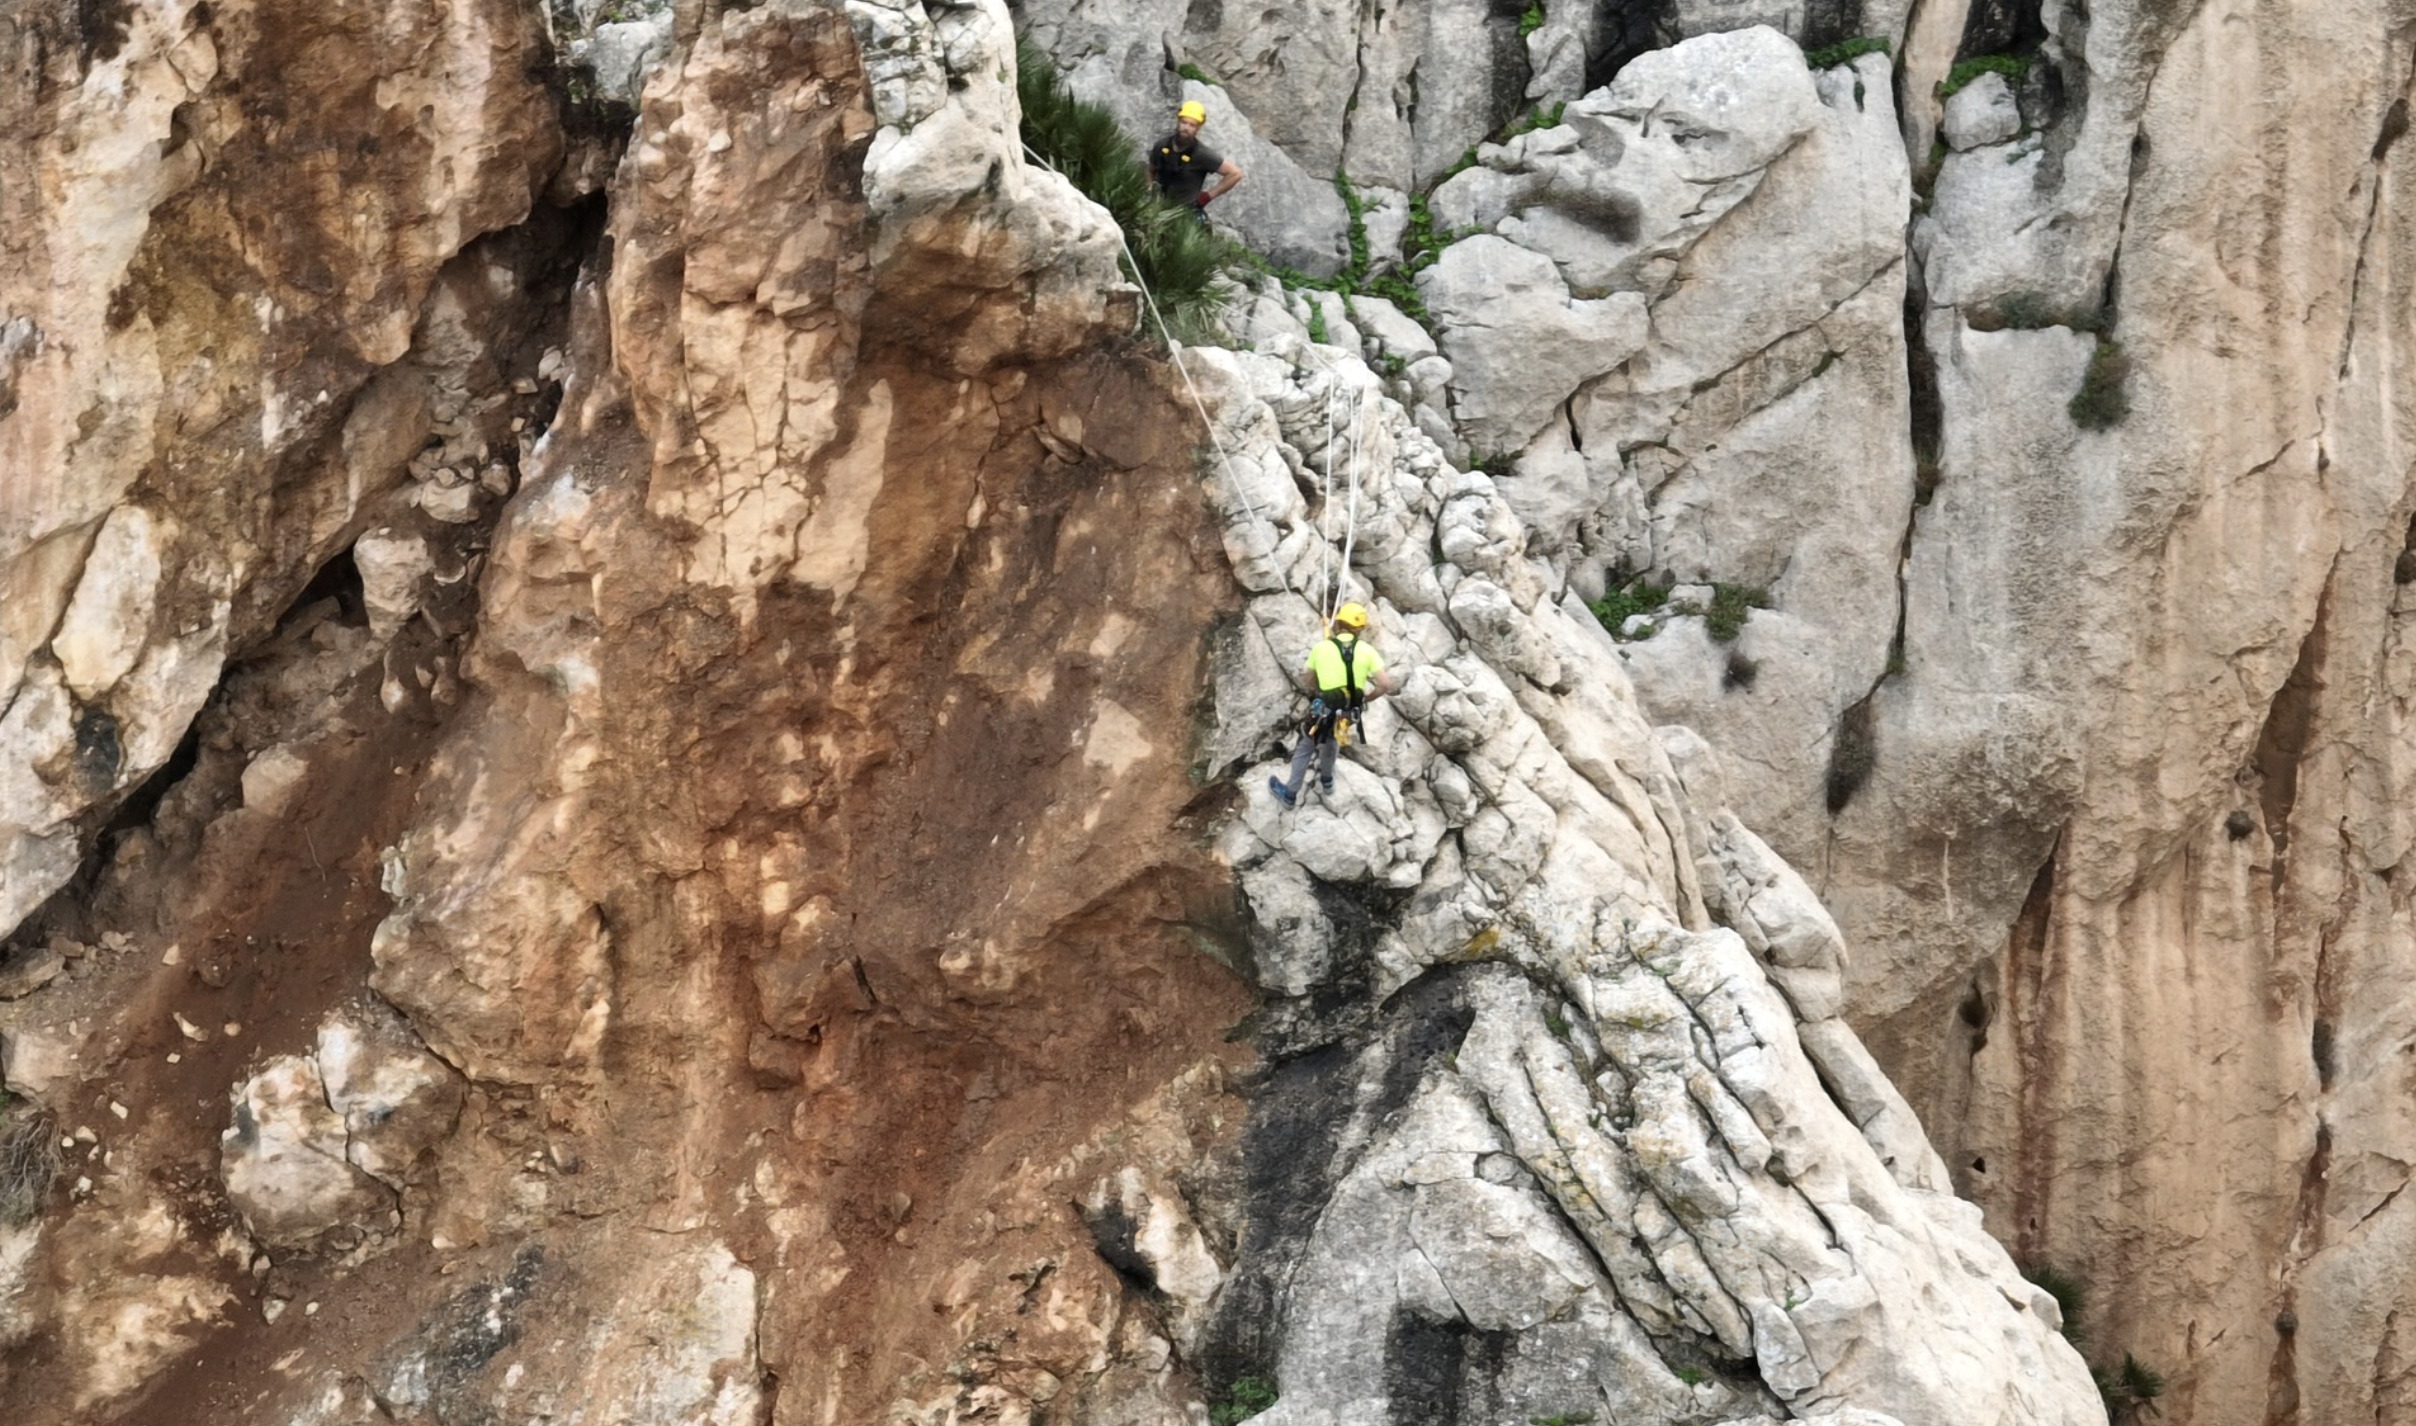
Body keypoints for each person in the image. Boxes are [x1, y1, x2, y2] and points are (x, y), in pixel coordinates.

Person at [1270, 601, 1391, 808]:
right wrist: (1366, 698)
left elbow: (1308, 678)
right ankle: (1327, 780)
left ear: (1339, 623)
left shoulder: (1322, 648)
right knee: (1332, 738)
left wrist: (1321, 688)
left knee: (1306, 746)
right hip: (1350, 711)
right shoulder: (1366, 650)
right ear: (1359, 629)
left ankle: (1289, 795)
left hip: (1325, 708)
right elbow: (1385, 684)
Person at [1149, 99, 1243, 223]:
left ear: (1198, 129)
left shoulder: (1201, 154)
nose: (1186, 128)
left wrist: (1207, 197)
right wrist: (1149, 189)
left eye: (1192, 125)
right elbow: (1150, 169)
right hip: (1158, 210)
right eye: (1184, 122)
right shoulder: (1162, 145)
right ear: (1177, 121)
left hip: (1184, 215)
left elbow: (1235, 174)